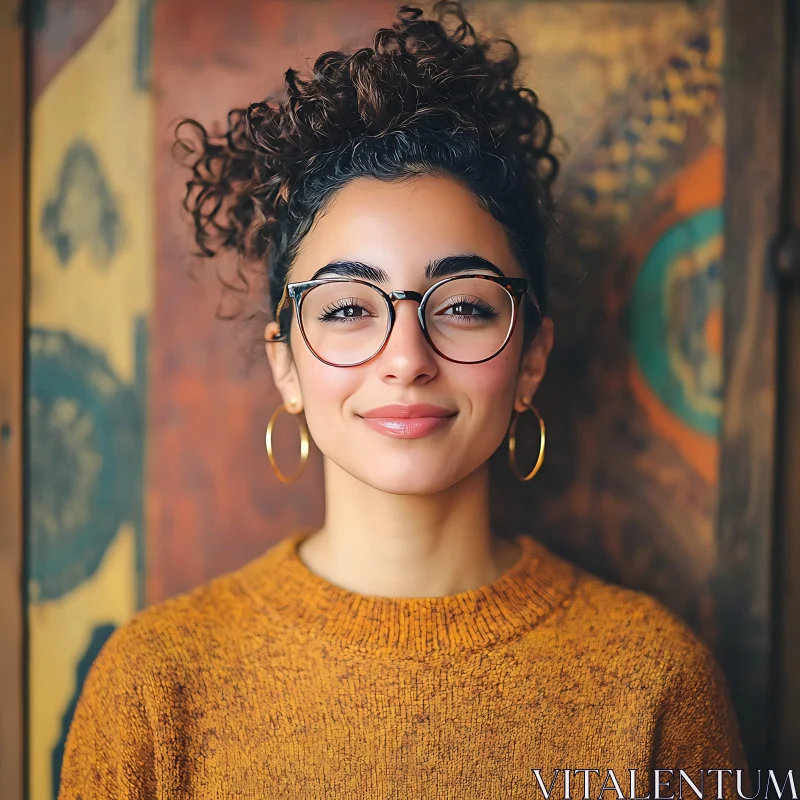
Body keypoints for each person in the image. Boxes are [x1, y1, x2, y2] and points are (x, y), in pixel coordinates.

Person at [58, 3, 752, 798]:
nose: (406, 360)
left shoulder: (656, 682)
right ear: (285, 365)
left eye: (461, 305)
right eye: (349, 308)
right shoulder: (154, 686)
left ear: (531, 359)